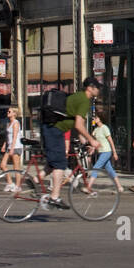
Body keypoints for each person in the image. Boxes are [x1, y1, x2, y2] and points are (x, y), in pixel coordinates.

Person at [45, 77, 102, 206]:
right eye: (97, 87)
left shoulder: (78, 97)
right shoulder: (84, 100)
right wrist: (92, 140)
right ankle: (54, 197)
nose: (98, 90)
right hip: (55, 130)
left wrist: (84, 141)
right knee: (60, 163)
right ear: (90, 88)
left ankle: (37, 178)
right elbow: (79, 125)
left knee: (54, 160)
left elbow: (77, 126)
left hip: (51, 128)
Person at [89, 111, 125, 193]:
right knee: (110, 170)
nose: (94, 119)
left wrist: (114, 152)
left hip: (106, 151)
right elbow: (94, 142)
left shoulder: (104, 128)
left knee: (96, 167)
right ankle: (120, 187)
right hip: (101, 152)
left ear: (100, 119)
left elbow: (111, 141)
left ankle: (89, 186)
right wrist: (91, 150)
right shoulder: (95, 130)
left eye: (96, 118)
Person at [0, 106, 23, 184]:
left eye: (9, 112)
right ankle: (10, 183)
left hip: (15, 147)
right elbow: (8, 136)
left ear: (14, 113)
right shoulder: (8, 123)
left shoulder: (16, 123)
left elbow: (15, 137)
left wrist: (12, 148)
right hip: (9, 147)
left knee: (16, 167)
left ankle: (18, 186)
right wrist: (4, 145)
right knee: (2, 165)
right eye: (8, 111)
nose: (7, 113)